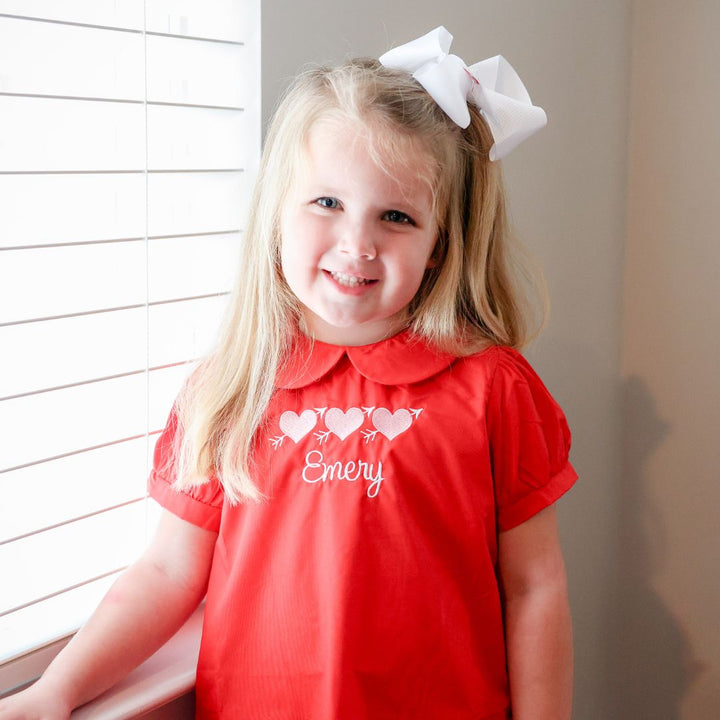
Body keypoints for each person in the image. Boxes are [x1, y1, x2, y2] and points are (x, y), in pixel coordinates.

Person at [0, 26, 576, 720]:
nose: (357, 244)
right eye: (327, 203)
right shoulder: (232, 386)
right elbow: (166, 572)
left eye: (396, 216)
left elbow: (534, 587)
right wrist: (56, 692)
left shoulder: (491, 387)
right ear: (277, 211)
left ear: (439, 245)